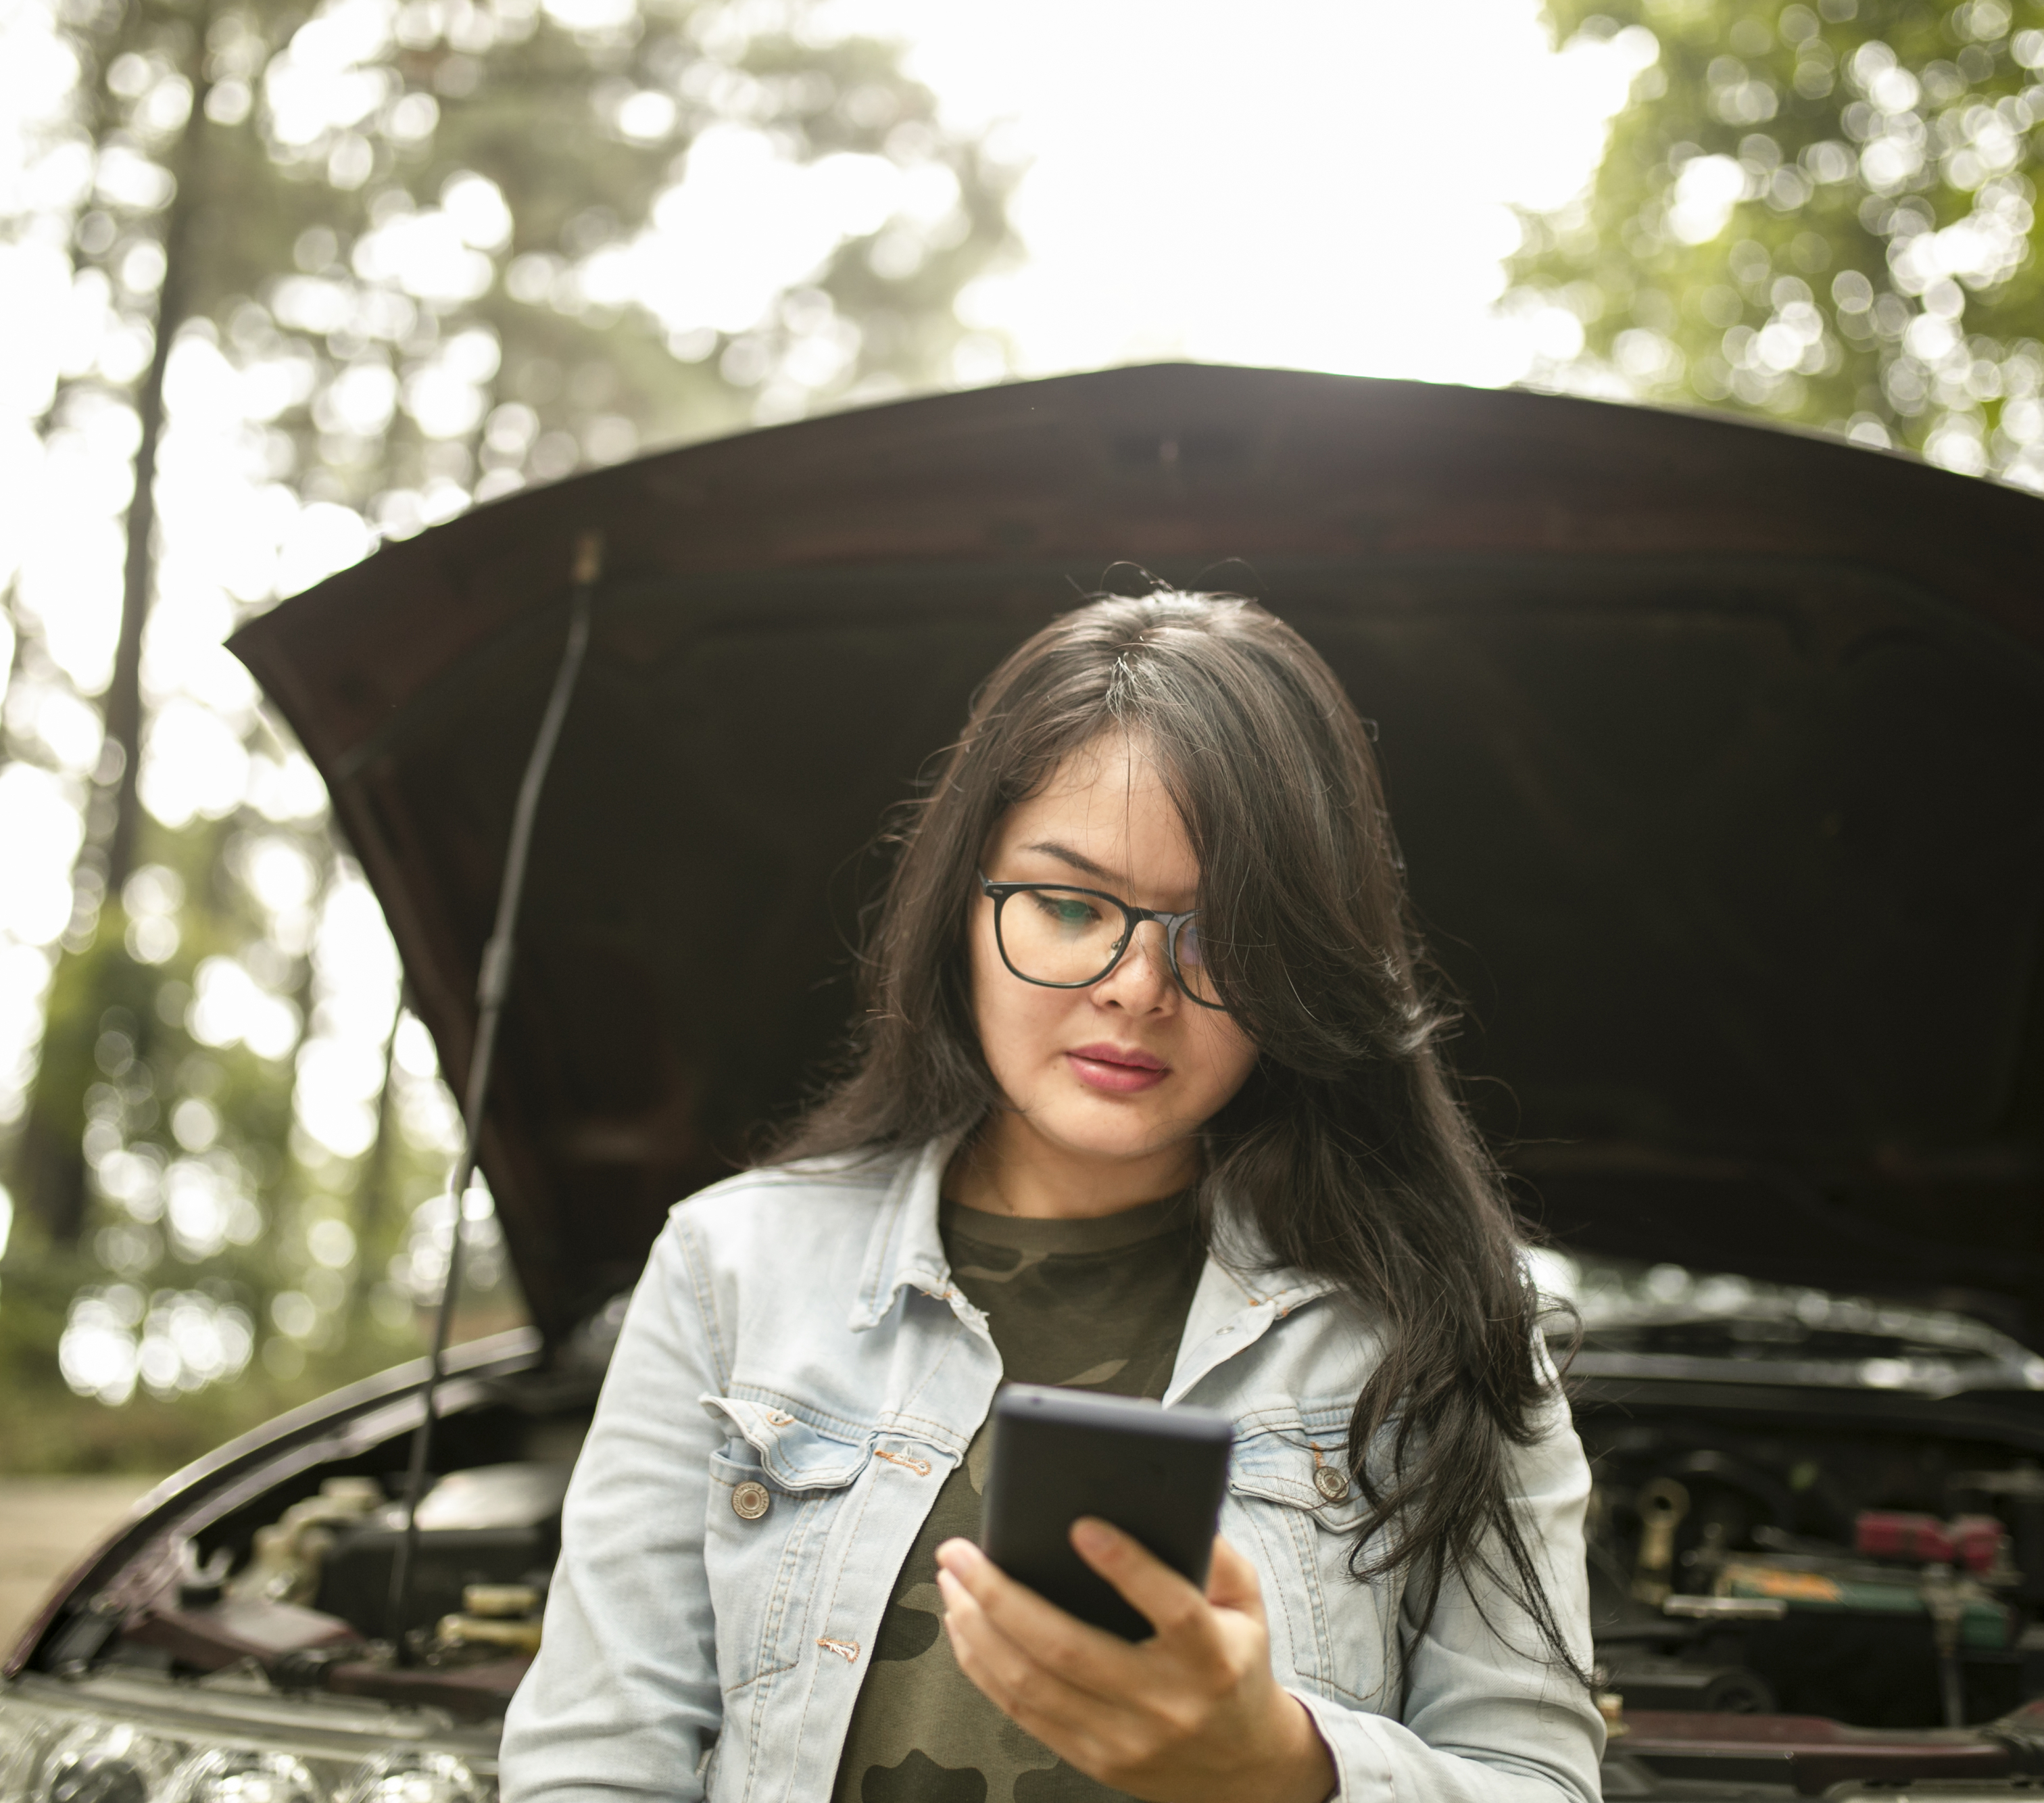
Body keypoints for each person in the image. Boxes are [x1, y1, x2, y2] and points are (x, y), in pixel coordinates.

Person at [502, 592, 1602, 1803]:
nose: (1136, 988)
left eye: (1222, 934)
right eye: (1071, 906)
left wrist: (1285, 1768)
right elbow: (593, 1766)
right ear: (961, 911)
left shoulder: (1452, 1320)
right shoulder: (733, 1268)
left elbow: (1538, 1781)